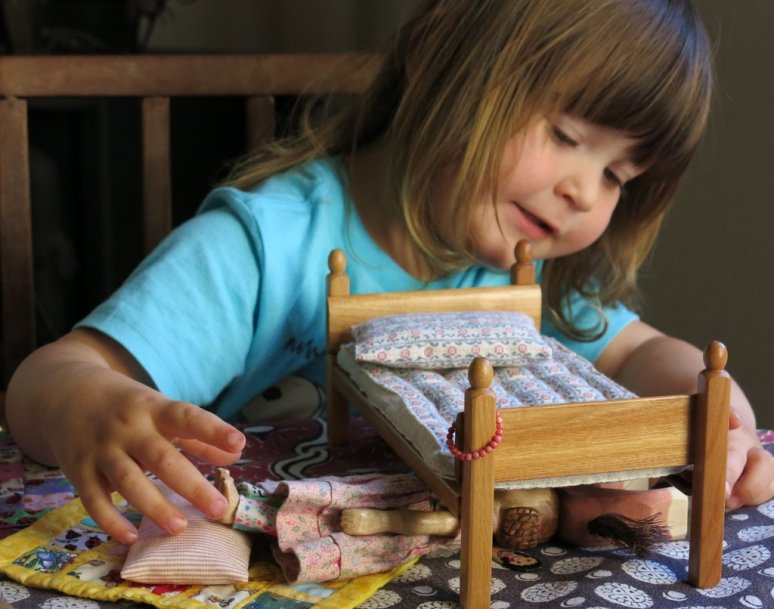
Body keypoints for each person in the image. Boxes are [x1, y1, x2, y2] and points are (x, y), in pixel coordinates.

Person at [6, 0, 773, 547]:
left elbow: (639, 352)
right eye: (569, 135)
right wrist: (88, 402)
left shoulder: (523, 275)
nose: (584, 190)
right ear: (447, 66)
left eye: (620, 176)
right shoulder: (267, 245)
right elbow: (48, 378)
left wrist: (710, 404)